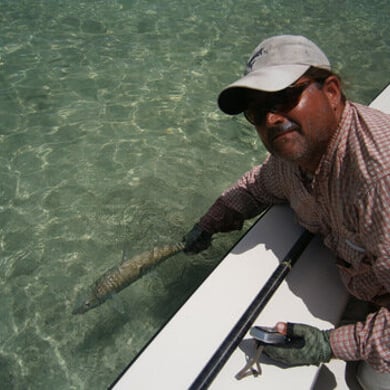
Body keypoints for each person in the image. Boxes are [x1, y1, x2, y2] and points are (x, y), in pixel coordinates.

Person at [183, 35, 390, 389]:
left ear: (332, 92)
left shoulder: (378, 179)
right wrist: (210, 223)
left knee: (373, 378)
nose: (272, 118)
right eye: (256, 111)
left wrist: (329, 343)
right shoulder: (297, 157)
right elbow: (257, 186)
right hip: (371, 287)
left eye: (284, 98)